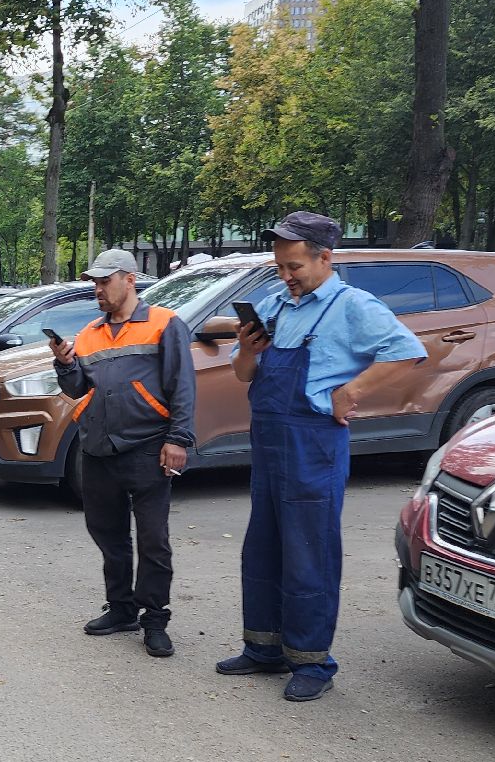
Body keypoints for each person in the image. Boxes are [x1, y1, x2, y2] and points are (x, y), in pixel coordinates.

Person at [218, 211, 425, 701]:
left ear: (324, 257)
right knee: (264, 546)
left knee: (309, 551)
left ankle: (313, 661)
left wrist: (353, 390)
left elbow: (407, 351)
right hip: (270, 440)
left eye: (294, 266)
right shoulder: (274, 305)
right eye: (280, 267)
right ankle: (264, 648)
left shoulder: (352, 306)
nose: (286, 276)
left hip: (314, 443)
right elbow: (245, 375)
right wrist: (247, 348)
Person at [50, 248, 197, 658]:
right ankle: (121, 608)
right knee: (108, 534)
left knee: (153, 539)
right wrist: (65, 364)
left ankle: (154, 618)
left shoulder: (165, 324)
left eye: (104, 281)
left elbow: (182, 385)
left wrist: (179, 439)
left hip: (149, 447)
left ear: (130, 279)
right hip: (98, 448)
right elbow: (77, 388)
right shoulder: (90, 333)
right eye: (94, 282)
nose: (97, 289)